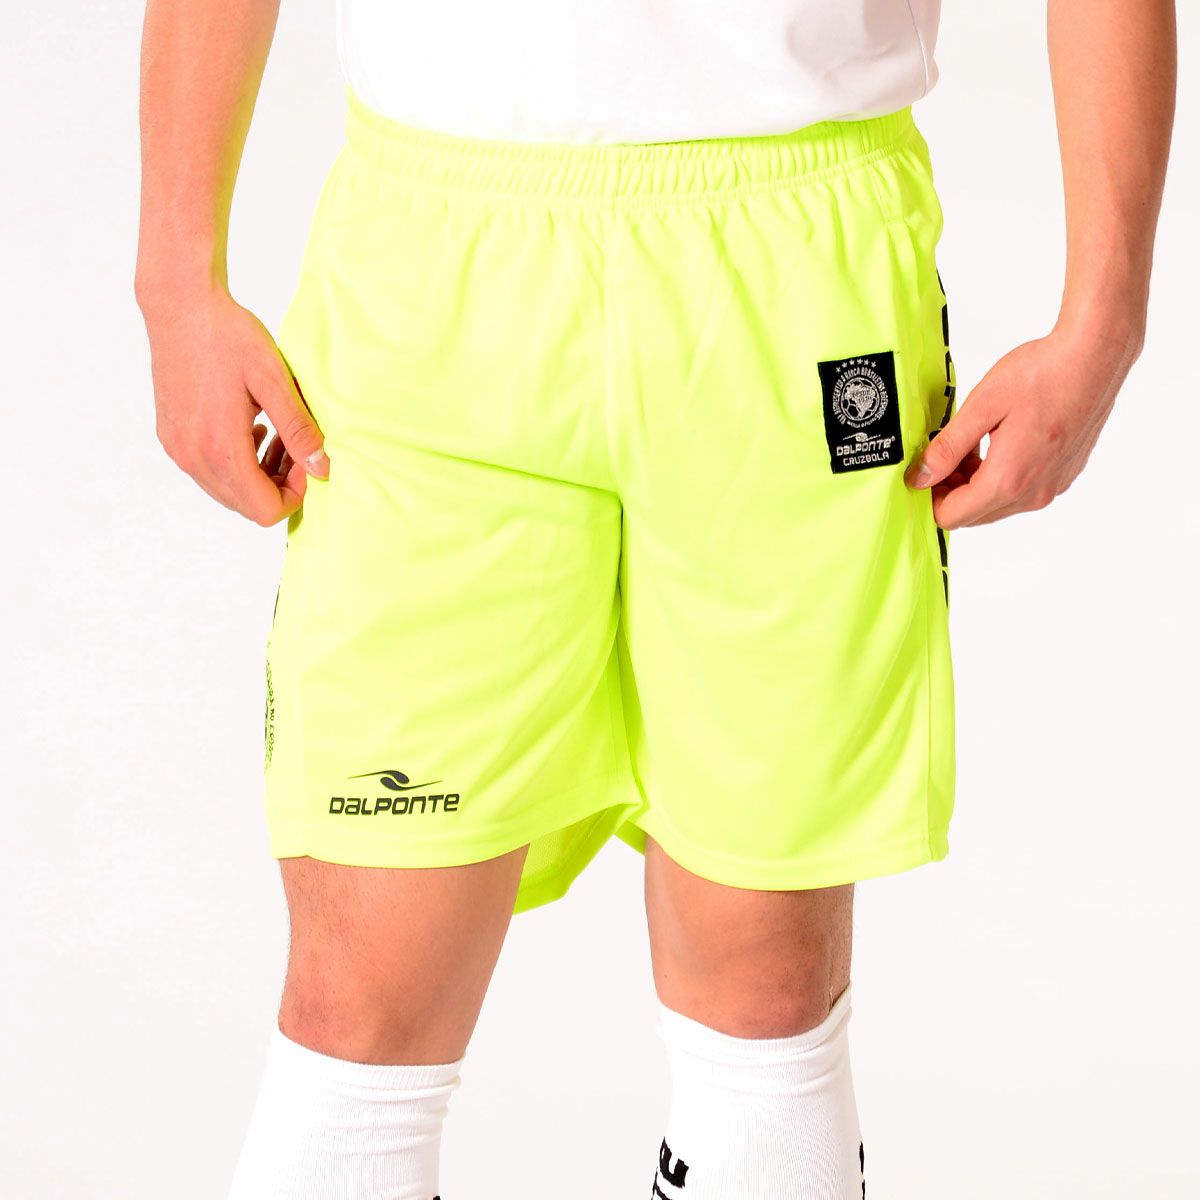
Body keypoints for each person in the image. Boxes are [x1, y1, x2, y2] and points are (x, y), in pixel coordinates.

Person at [134, 2, 1176, 1196]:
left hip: (800, 257)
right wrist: (175, 277)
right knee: (359, 998)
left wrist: (1105, 317)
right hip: (429, 272)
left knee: (767, 990)